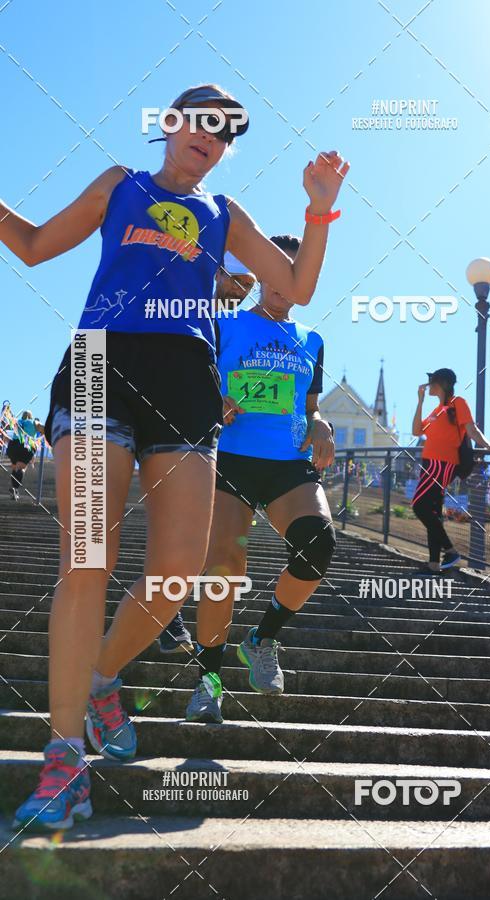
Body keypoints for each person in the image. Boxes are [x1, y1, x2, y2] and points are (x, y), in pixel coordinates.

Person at [1, 82, 348, 831]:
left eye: (228, 133)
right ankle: (63, 761)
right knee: (87, 559)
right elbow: (31, 247)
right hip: (100, 365)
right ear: (169, 124)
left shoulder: (227, 215)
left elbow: (298, 286)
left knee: (179, 572)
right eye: (203, 121)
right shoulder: (119, 185)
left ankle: (100, 680)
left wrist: (319, 205)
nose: (214, 137)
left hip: (187, 381)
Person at [185, 235, 336, 724]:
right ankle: (209, 682)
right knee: (224, 565)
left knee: (318, 543)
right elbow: (190, 378)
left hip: (287, 462)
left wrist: (322, 425)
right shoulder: (223, 322)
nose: (283, 284)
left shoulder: (311, 341)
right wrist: (213, 399)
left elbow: (310, 408)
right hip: (229, 457)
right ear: (261, 272)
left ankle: (262, 637)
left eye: (297, 274)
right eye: (277, 270)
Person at [158, 252, 257, 654]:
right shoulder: (187, 310)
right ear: (217, 274)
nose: (242, 290)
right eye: (237, 280)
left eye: (249, 285)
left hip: (216, 441)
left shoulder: (239, 326)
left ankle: (171, 615)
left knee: (199, 531)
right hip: (172, 433)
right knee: (180, 527)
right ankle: (169, 616)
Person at [411, 368, 490, 573]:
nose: (428, 386)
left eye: (432, 382)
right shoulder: (436, 410)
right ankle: (434, 564)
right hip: (430, 463)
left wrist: (489, 446)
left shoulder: (458, 403)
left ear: (442, 384)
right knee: (433, 512)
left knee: (419, 506)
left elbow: (472, 430)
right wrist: (420, 401)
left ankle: (451, 550)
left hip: (441, 464)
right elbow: (416, 431)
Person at [4, 409, 44, 500]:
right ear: (31, 416)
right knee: (22, 468)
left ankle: (14, 490)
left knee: (14, 468)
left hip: (13, 446)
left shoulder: (17, 422)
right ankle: (15, 488)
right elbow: (43, 428)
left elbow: (8, 431)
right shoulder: (34, 422)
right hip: (26, 446)